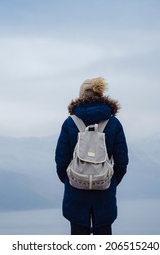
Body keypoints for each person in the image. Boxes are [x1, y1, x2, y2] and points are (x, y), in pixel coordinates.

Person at [55, 77, 129, 235]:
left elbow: (60, 160)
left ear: (80, 95)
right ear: (101, 94)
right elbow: (122, 161)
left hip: (75, 189)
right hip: (104, 189)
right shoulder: (113, 123)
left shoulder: (70, 123)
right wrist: (111, 180)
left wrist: (71, 179)